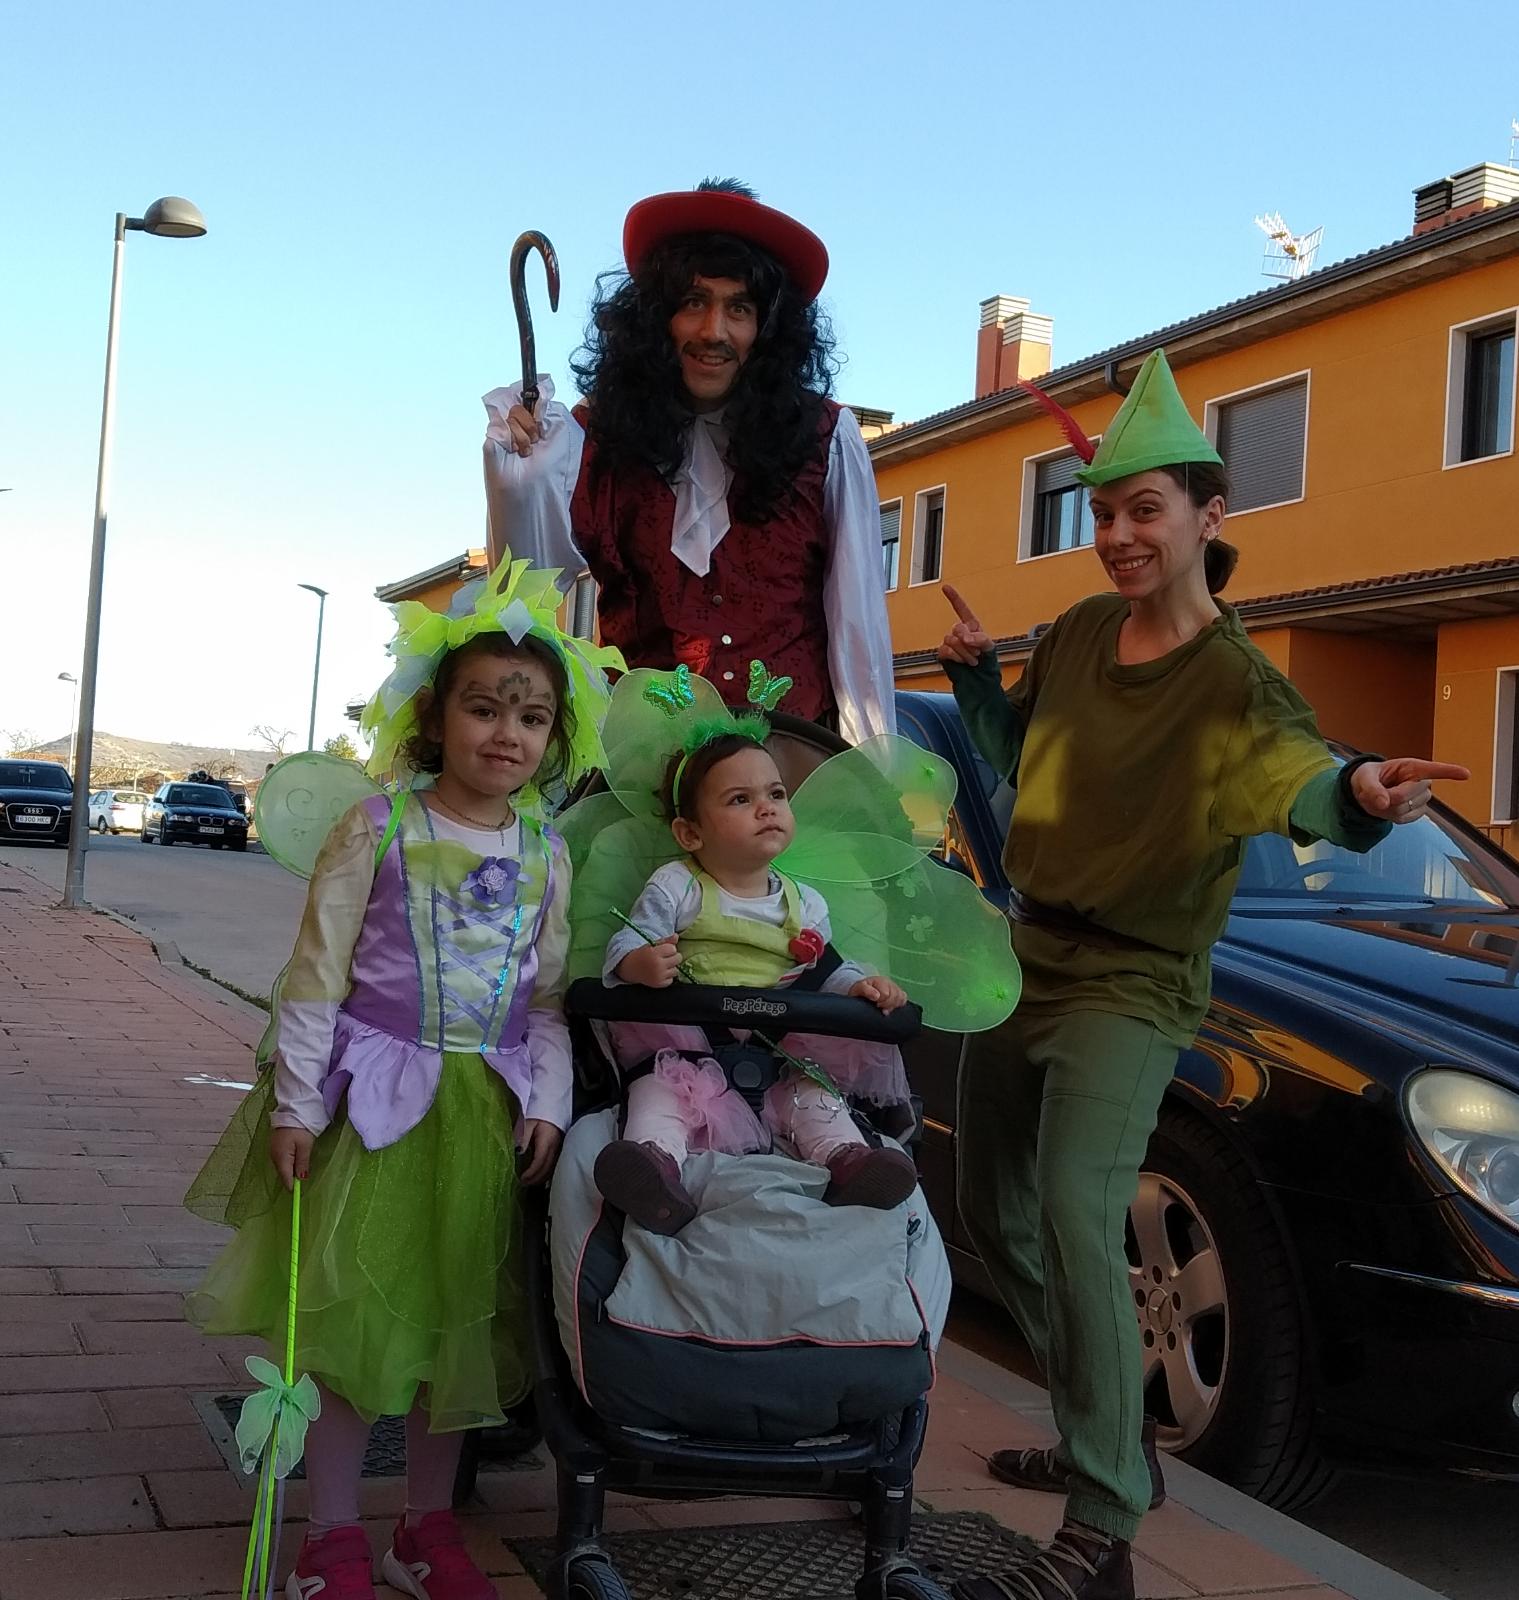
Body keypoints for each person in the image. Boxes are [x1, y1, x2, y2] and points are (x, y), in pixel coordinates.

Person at [937, 351, 1469, 1600]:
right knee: (991, 1209)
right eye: (1105, 514)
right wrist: (972, 681)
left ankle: (1104, 1524)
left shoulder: (1234, 682)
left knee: (1077, 1211)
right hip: (1027, 954)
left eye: (1146, 512)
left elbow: (1294, 773)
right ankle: (1103, 1435)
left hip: (1134, 979)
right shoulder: (1071, 633)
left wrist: (1360, 793)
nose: (1119, 536)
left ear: (1207, 519)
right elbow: (1021, 747)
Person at [185, 557, 618, 1600]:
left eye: (530, 716)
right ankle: (331, 1532)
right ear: (436, 717)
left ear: (554, 738)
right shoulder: (378, 826)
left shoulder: (549, 853)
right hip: (371, 1114)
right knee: (349, 1326)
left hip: (484, 1121)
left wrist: (549, 1103)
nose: (504, 733)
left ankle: (423, 1527)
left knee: (449, 1338)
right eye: (483, 707)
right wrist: (296, 1103)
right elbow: (316, 977)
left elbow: (550, 996)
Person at [482, 177, 896, 745]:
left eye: (739, 308)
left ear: (768, 329)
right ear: (656, 318)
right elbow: (522, 594)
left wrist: (868, 784)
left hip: (788, 778)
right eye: (693, 303)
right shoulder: (589, 439)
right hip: (641, 777)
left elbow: (859, 631)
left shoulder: (826, 438)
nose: (713, 331)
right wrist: (520, 484)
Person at [592, 715, 919, 1234]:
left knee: (814, 1095)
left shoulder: (803, 901)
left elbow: (824, 968)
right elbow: (629, 937)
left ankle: (848, 1160)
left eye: (776, 793)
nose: (766, 807)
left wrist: (860, 985)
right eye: (740, 799)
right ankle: (653, 1165)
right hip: (691, 1040)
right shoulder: (679, 885)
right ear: (690, 832)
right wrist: (640, 962)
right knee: (660, 1092)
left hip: (785, 1045)